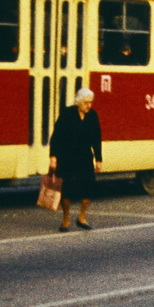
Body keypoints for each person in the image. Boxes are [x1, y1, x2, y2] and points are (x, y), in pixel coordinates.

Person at [49, 87, 103, 231]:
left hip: (85, 157)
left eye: (90, 102)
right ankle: (65, 220)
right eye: (86, 102)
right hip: (67, 157)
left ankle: (82, 217)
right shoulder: (67, 113)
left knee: (88, 188)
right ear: (78, 102)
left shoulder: (93, 115)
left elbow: (96, 138)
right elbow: (56, 136)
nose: (89, 106)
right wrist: (53, 156)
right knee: (67, 190)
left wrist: (99, 159)